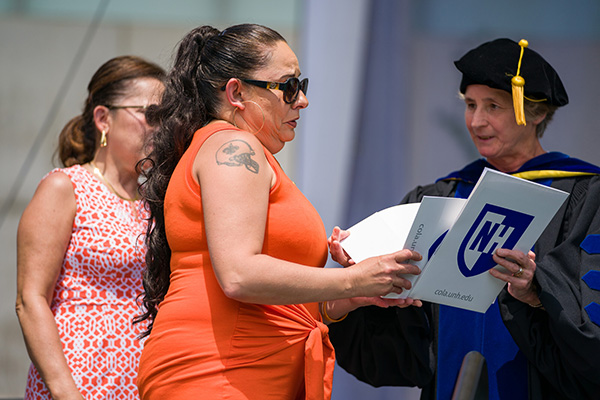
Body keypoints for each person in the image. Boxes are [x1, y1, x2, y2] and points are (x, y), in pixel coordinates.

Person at [133, 23, 423, 400]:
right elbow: (239, 274)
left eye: (302, 86)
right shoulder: (234, 148)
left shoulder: (238, 150)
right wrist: (356, 280)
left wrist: (357, 295)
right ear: (236, 92)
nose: (301, 100)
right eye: (288, 87)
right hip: (220, 373)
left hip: (245, 370)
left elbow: (278, 299)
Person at [328, 38, 600, 400]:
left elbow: (588, 321)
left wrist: (538, 291)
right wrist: (364, 277)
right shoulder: (440, 196)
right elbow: (398, 343)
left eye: (493, 106)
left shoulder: (582, 198)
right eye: (471, 105)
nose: (476, 121)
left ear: (535, 114)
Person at [15, 55, 165, 400]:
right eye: (151, 115)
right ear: (103, 118)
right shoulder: (65, 187)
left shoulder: (154, 201)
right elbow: (30, 298)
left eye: (167, 117)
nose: (162, 127)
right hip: (79, 380)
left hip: (141, 382)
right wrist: (66, 392)